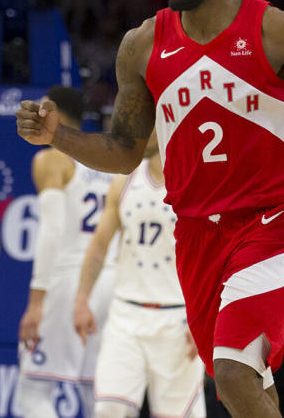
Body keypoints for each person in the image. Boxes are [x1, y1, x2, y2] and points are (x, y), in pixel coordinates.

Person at [17, 0, 284, 417]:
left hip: (269, 225)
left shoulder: (281, 31)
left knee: (233, 370)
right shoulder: (142, 45)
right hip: (195, 236)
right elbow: (123, 152)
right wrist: (58, 137)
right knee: (241, 386)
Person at [73, 131, 206, 418]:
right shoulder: (124, 181)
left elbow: (211, 258)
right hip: (126, 315)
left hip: (179, 318)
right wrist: (82, 298)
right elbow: (99, 246)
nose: (139, 131)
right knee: (109, 408)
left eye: (147, 124)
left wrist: (206, 318)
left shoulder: (197, 182)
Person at [17, 87, 116, 418]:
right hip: (110, 281)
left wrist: (35, 302)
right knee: (97, 393)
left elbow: (52, 231)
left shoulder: (51, 159)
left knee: (32, 393)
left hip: (67, 281)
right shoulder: (110, 161)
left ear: (51, 110)